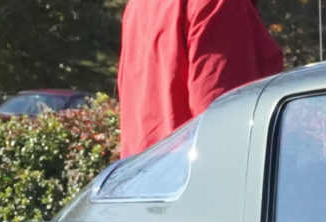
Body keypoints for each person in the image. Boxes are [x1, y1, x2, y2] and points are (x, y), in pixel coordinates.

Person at [118, 0, 286, 156]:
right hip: (192, 175)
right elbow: (223, 120)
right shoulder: (219, 4)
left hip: (141, 175)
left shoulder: (138, 5)